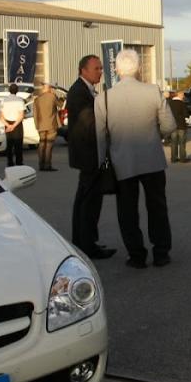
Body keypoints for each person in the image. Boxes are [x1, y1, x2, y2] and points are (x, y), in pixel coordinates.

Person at [94, 49, 175, 269]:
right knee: (157, 206)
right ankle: (161, 252)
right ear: (138, 68)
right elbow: (169, 126)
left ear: (117, 70)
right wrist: (153, 136)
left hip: (122, 163)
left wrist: (102, 163)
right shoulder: (153, 91)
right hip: (152, 160)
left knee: (127, 211)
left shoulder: (104, 98)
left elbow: (100, 138)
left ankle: (137, 255)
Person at [67, 55, 116, 260]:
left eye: (101, 68)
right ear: (83, 70)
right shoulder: (79, 92)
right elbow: (90, 122)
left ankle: (83, 241)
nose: (100, 71)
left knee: (85, 200)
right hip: (89, 155)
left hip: (88, 154)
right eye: (96, 68)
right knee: (89, 202)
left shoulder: (86, 90)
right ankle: (87, 245)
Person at [34, 79, 61, 171]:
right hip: (51, 124)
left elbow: (35, 114)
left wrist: (37, 125)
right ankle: (47, 165)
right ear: (50, 88)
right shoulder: (52, 97)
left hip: (41, 125)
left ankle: (41, 165)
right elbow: (61, 105)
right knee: (49, 145)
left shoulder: (37, 99)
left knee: (42, 145)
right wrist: (61, 97)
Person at [0, 83, 26, 167]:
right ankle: (19, 162)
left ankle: (10, 162)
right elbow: (21, 115)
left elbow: (0, 116)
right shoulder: (20, 100)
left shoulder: (3, 101)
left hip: (7, 123)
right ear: (17, 91)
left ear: (9, 90)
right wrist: (14, 126)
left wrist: (8, 125)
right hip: (17, 124)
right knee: (18, 144)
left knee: (9, 144)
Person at [167, 90, 189, 163]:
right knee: (182, 143)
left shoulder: (169, 103)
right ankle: (182, 159)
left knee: (173, 142)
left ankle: (173, 158)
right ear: (179, 95)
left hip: (172, 125)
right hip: (181, 125)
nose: (183, 96)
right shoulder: (182, 104)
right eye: (183, 95)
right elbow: (186, 114)